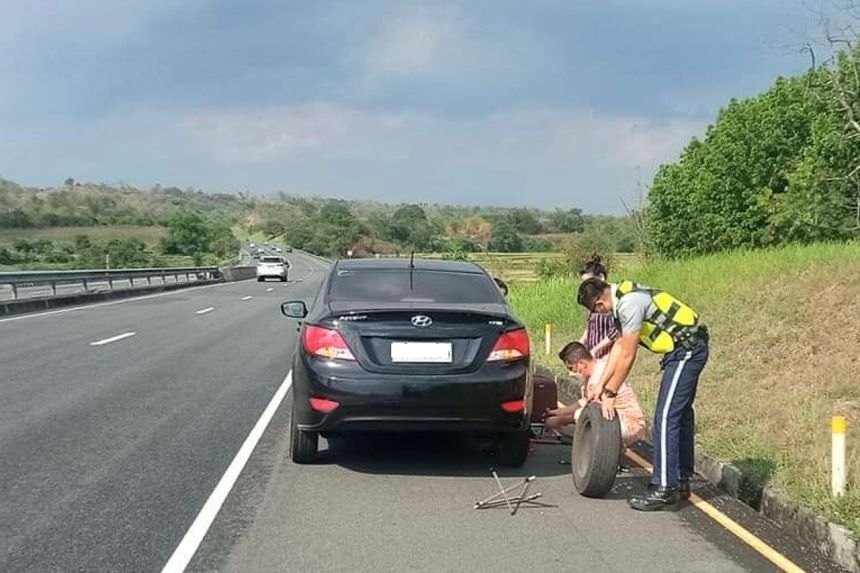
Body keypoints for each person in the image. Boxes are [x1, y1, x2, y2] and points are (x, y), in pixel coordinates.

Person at [577, 277, 709, 511]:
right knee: (680, 417)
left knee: (666, 418)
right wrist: (600, 385)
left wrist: (610, 392)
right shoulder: (622, 302)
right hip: (681, 352)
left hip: (687, 350)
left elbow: (628, 355)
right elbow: (618, 347)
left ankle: (664, 488)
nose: (602, 315)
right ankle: (679, 480)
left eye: (597, 312)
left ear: (599, 305)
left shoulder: (629, 304)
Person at [544, 341, 646, 447]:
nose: (571, 373)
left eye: (572, 368)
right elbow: (583, 402)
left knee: (582, 416)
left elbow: (588, 411)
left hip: (629, 424)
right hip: (622, 419)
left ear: (582, 364)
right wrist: (556, 412)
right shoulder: (599, 366)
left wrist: (561, 420)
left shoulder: (596, 379)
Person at [577, 255, 618, 359]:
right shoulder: (591, 300)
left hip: (610, 354)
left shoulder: (613, 300)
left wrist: (597, 348)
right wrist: (581, 343)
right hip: (595, 354)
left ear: (601, 277)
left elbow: (616, 331)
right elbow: (590, 326)